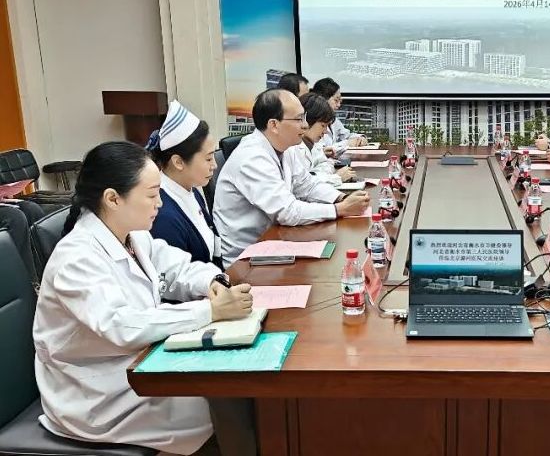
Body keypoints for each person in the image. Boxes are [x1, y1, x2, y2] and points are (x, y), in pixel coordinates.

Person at [33, 141, 254, 455]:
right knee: (223, 403)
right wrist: (210, 311)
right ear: (113, 198)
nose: (160, 204)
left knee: (233, 389)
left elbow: (176, 267)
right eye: (151, 195)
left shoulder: (132, 234)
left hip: (137, 365)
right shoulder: (76, 258)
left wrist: (212, 282)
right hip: (96, 393)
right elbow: (122, 326)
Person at [213, 89, 370, 265]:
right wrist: (340, 209)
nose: (305, 125)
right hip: (246, 260)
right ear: (274, 125)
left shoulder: (286, 148)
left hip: (276, 241)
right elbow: (287, 212)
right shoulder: (251, 158)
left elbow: (307, 185)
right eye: (299, 119)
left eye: (304, 118)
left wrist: (341, 198)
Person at [147, 101, 222, 269]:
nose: (214, 165)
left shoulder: (191, 190)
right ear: (178, 162)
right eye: (208, 158)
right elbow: (176, 276)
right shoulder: (162, 214)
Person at [285, 93, 358, 188]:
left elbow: (326, 164)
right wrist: (336, 178)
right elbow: (300, 185)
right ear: (307, 120)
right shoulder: (291, 148)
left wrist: (316, 175)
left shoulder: (313, 144)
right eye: (323, 125)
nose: (325, 131)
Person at [310, 77, 367, 156]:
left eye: (340, 101)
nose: (339, 105)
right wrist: (347, 143)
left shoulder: (334, 120)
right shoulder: (312, 120)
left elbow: (346, 135)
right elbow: (322, 150)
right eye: (336, 100)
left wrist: (360, 138)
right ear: (323, 99)